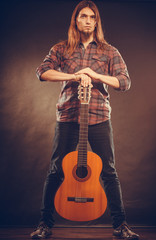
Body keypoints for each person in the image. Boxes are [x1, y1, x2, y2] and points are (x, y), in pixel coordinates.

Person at [30, 1, 139, 239]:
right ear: (76, 20)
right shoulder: (61, 49)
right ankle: (44, 225)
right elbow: (42, 72)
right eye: (83, 16)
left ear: (96, 21)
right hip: (68, 116)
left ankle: (120, 226)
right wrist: (75, 75)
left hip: (99, 117)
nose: (88, 21)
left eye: (92, 17)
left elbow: (125, 82)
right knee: (56, 169)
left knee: (108, 171)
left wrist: (94, 74)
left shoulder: (110, 51)